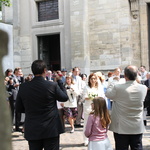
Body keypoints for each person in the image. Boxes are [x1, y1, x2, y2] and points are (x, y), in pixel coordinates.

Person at [15, 60, 68, 150]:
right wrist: (60, 82)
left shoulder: (24, 87)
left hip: (33, 127)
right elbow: (64, 97)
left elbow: (19, 108)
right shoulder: (52, 85)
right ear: (44, 70)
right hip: (51, 127)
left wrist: (30, 109)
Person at [105, 65, 147, 150]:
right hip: (136, 126)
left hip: (121, 127)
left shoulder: (118, 87)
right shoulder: (143, 88)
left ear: (125, 76)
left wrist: (113, 82)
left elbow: (108, 94)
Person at [83, 73, 105, 146]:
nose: (93, 80)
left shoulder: (99, 88)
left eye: (94, 79)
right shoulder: (86, 87)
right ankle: (85, 139)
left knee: (97, 123)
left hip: (97, 107)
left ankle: (96, 137)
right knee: (87, 123)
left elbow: (102, 96)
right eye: (91, 79)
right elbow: (84, 97)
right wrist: (91, 97)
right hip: (88, 106)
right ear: (89, 80)